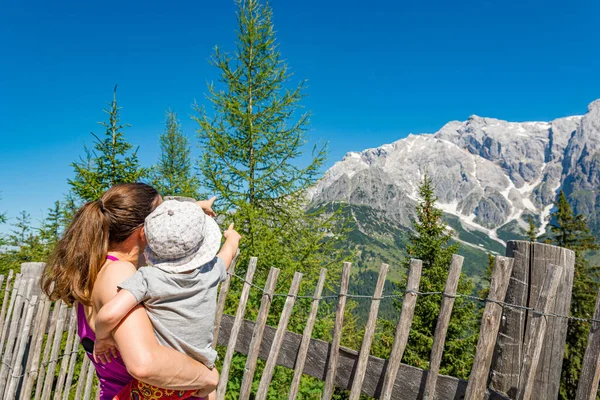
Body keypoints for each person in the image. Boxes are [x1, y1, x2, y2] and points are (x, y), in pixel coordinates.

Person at [41, 183, 219, 400]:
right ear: (144, 232)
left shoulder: (98, 267)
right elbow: (145, 363)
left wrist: (197, 208)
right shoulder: (120, 274)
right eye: (161, 215)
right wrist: (207, 376)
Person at [92, 198, 241, 400]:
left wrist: (102, 338)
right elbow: (228, 252)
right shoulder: (212, 271)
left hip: (159, 383)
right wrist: (232, 237)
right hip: (195, 380)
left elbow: (109, 314)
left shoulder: (146, 278)